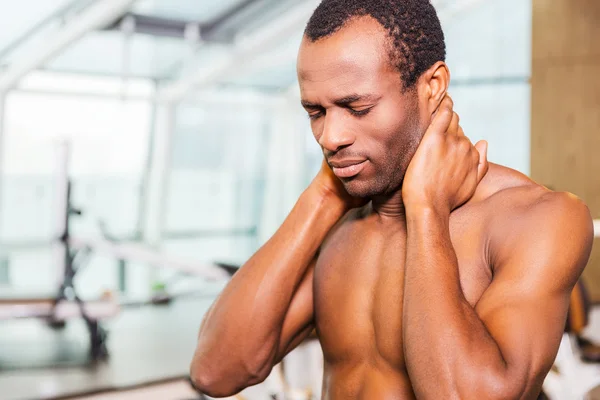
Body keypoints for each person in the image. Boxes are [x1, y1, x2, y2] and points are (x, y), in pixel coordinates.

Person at [190, 1, 594, 398]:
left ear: (432, 87)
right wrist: (322, 196)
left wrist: (426, 211)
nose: (330, 138)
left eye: (357, 107)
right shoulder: (338, 223)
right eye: (316, 112)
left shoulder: (537, 217)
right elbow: (216, 372)